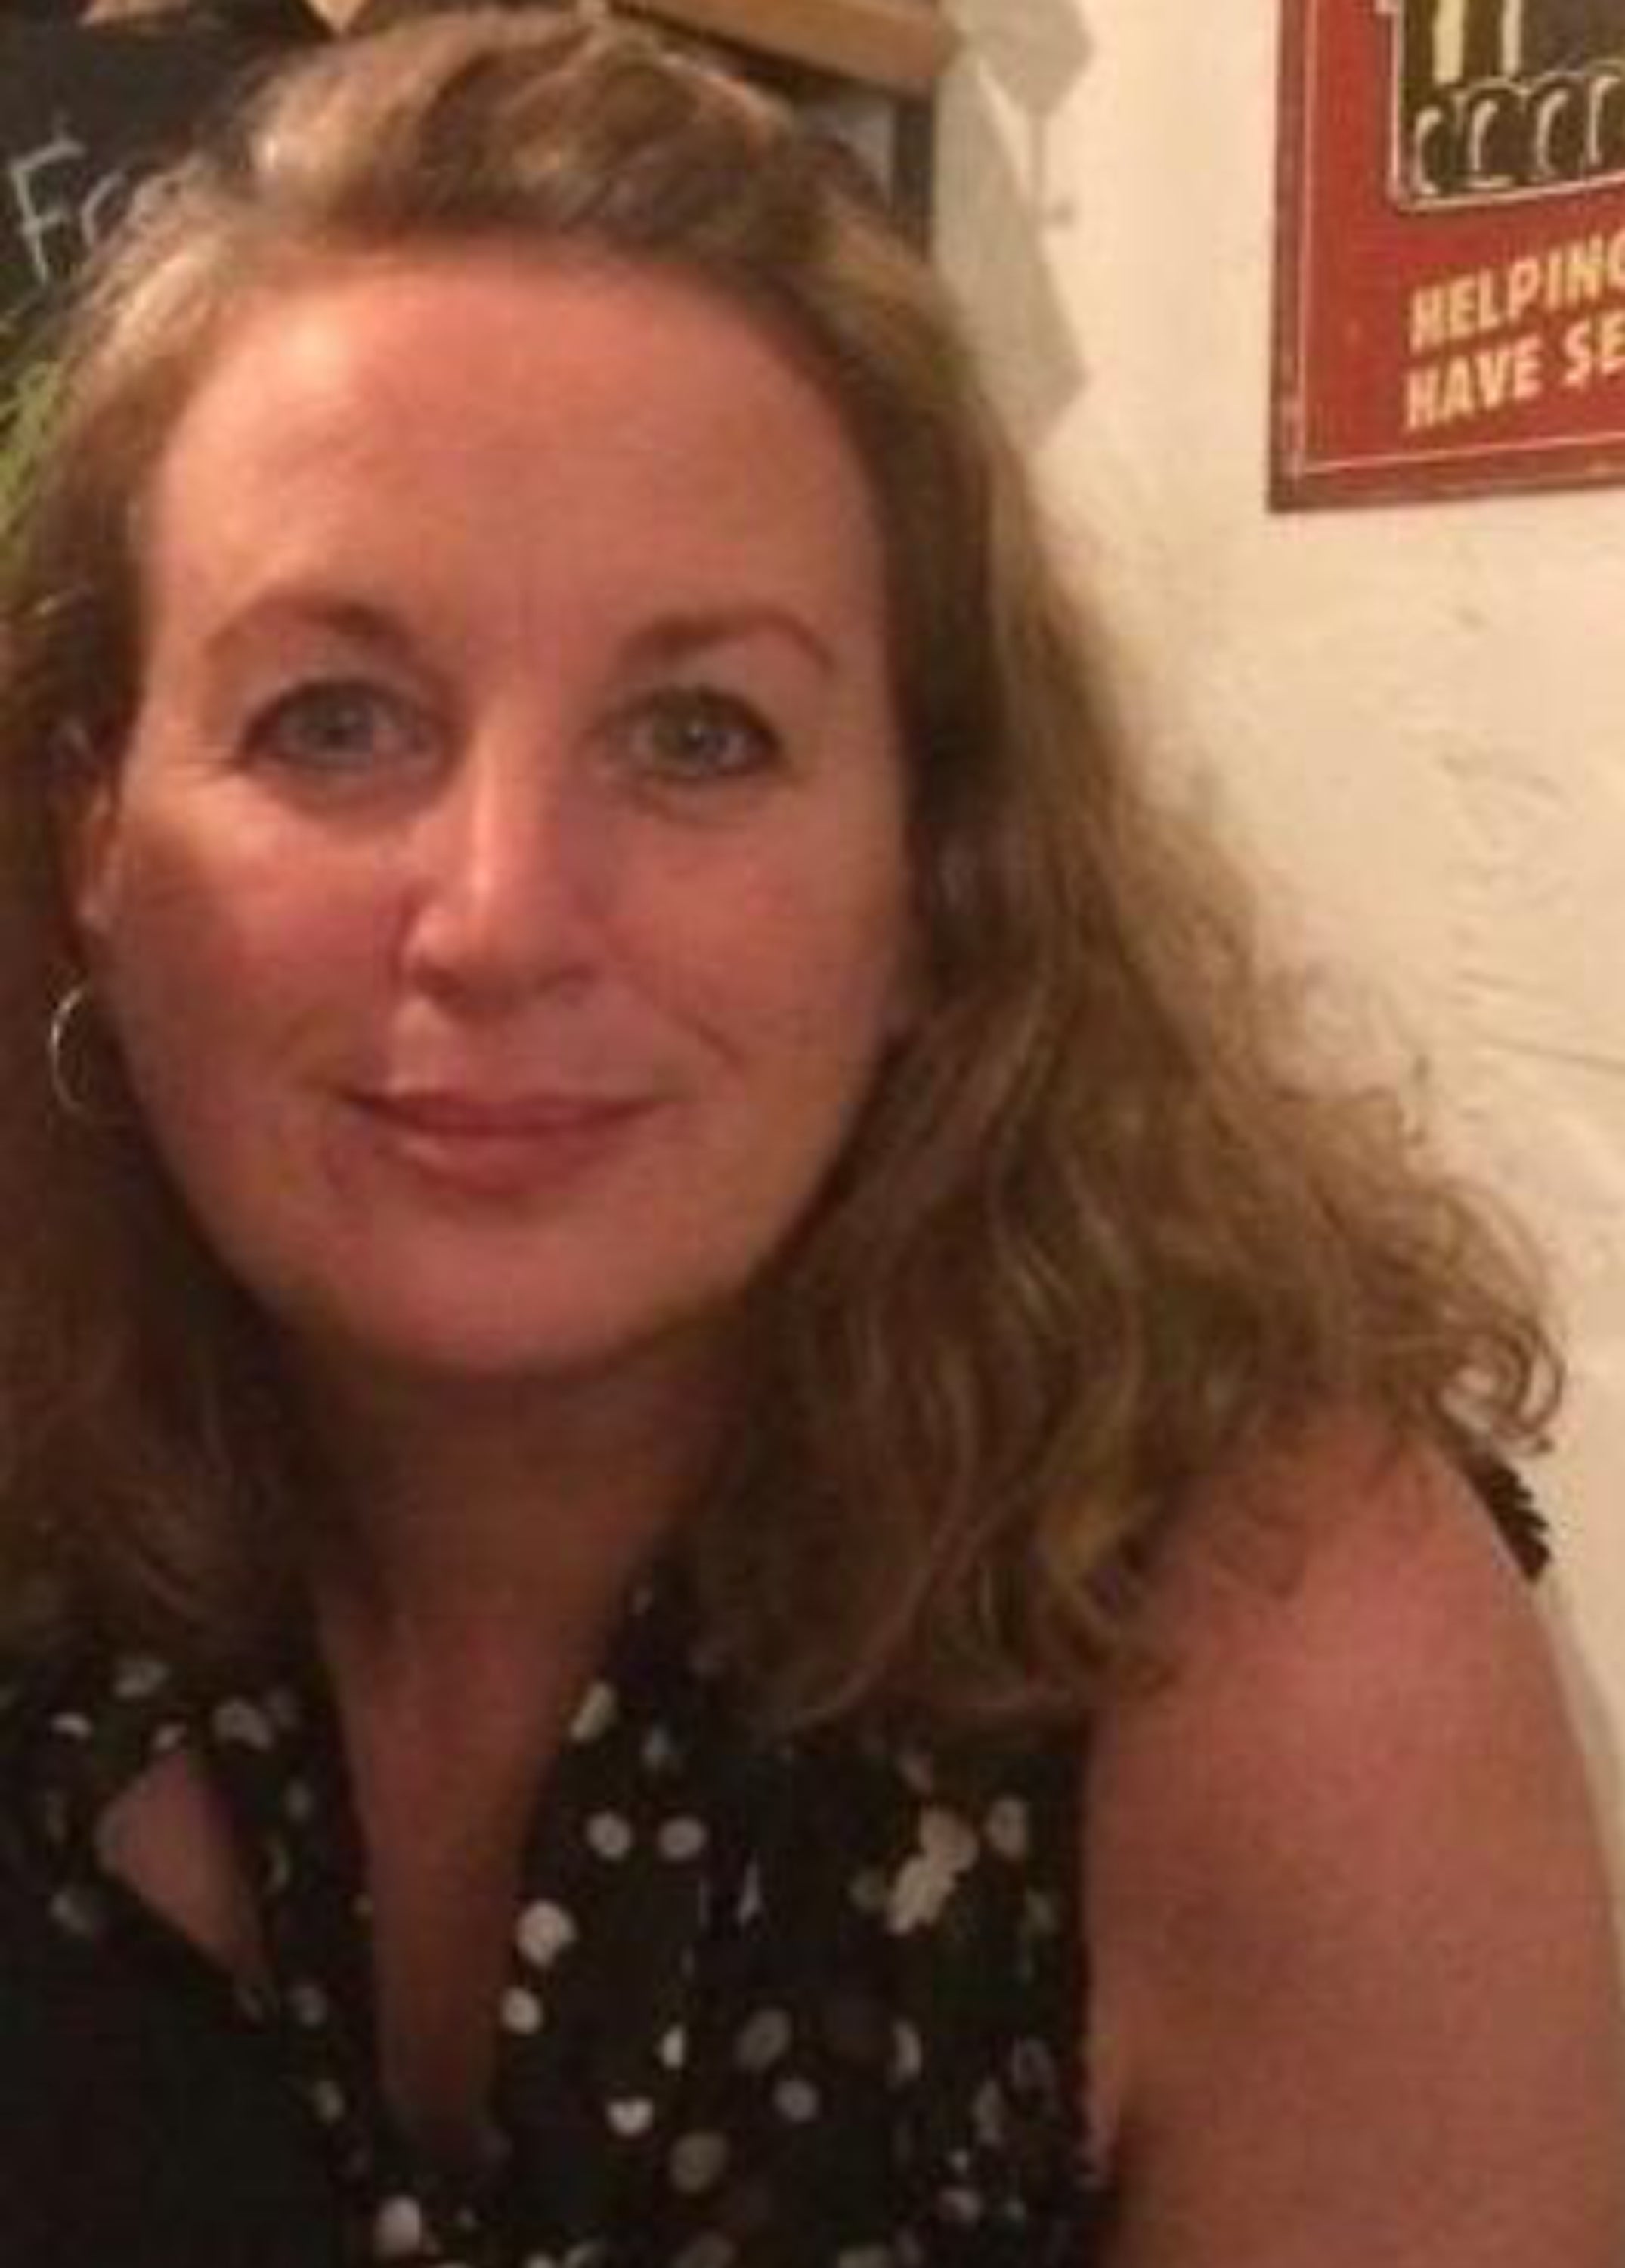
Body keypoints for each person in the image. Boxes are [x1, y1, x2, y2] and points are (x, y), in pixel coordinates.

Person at [0, 11, 1617, 2264]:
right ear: (95, 831)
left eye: (699, 735)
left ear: (936, 879)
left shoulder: (1273, 1674)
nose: (499, 918)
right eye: (334, 719)